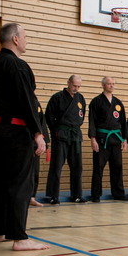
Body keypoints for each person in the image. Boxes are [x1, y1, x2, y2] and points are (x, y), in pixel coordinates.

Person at [0, 23, 49, 250]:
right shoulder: (17, 65)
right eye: (25, 36)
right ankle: (19, 238)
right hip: (15, 131)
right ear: (14, 39)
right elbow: (26, 101)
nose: (26, 40)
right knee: (20, 183)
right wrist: (37, 132)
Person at [45, 75, 86, 204]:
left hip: (75, 135)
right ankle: (53, 196)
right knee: (56, 165)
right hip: (61, 135)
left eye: (78, 86)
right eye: (74, 85)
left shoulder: (80, 98)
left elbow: (82, 116)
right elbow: (49, 116)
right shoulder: (57, 97)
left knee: (77, 167)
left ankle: (76, 195)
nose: (76, 88)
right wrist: (55, 131)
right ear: (68, 82)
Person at [88, 77, 128, 202]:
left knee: (117, 166)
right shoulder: (96, 101)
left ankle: (118, 193)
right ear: (103, 85)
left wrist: (125, 139)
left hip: (116, 138)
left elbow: (123, 122)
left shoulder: (118, 102)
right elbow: (92, 121)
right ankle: (96, 195)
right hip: (101, 139)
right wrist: (93, 139)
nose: (111, 86)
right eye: (109, 84)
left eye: (113, 84)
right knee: (98, 167)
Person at [30, 101, 49, 207]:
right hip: (23, 141)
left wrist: (44, 141)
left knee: (35, 171)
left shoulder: (35, 103)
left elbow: (42, 122)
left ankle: (31, 197)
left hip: (35, 143)